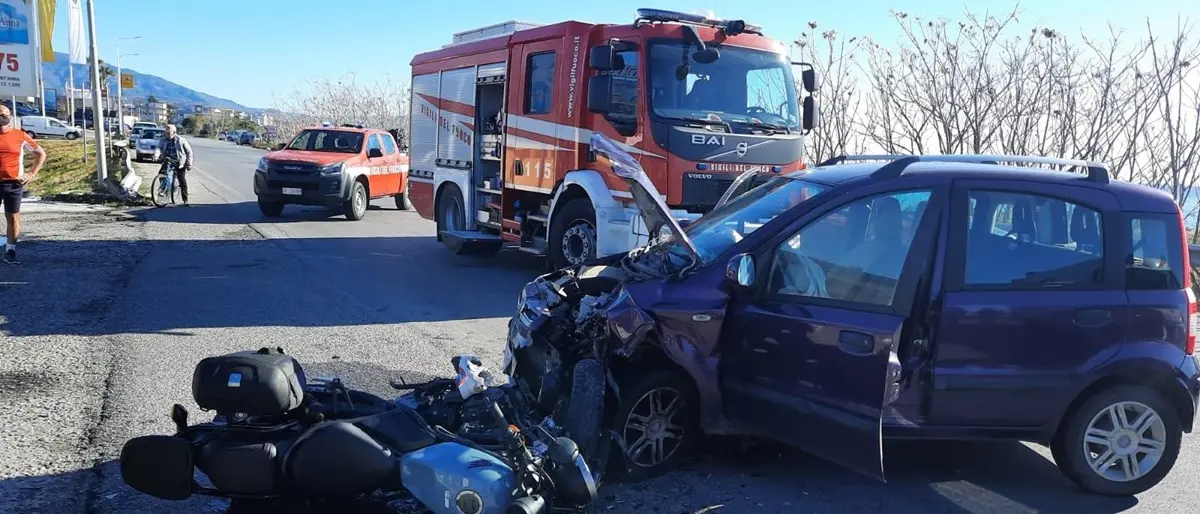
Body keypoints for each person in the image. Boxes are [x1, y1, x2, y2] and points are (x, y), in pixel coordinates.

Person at [0, 104, 47, 265]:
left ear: (10, 116)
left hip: (13, 183)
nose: (1, 117)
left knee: (12, 217)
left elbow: (40, 154)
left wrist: (31, 173)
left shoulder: (20, 136)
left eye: (4, 114)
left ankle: (10, 250)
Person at [160, 124, 194, 205]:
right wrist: (156, 155)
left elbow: (189, 152)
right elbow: (158, 147)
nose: (167, 132)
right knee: (161, 174)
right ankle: (164, 189)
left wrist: (189, 164)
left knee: (182, 180)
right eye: (166, 130)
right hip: (168, 160)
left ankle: (185, 200)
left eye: (169, 130)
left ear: (174, 132)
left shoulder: (181, 140)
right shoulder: (163, 140)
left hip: (179, 162)